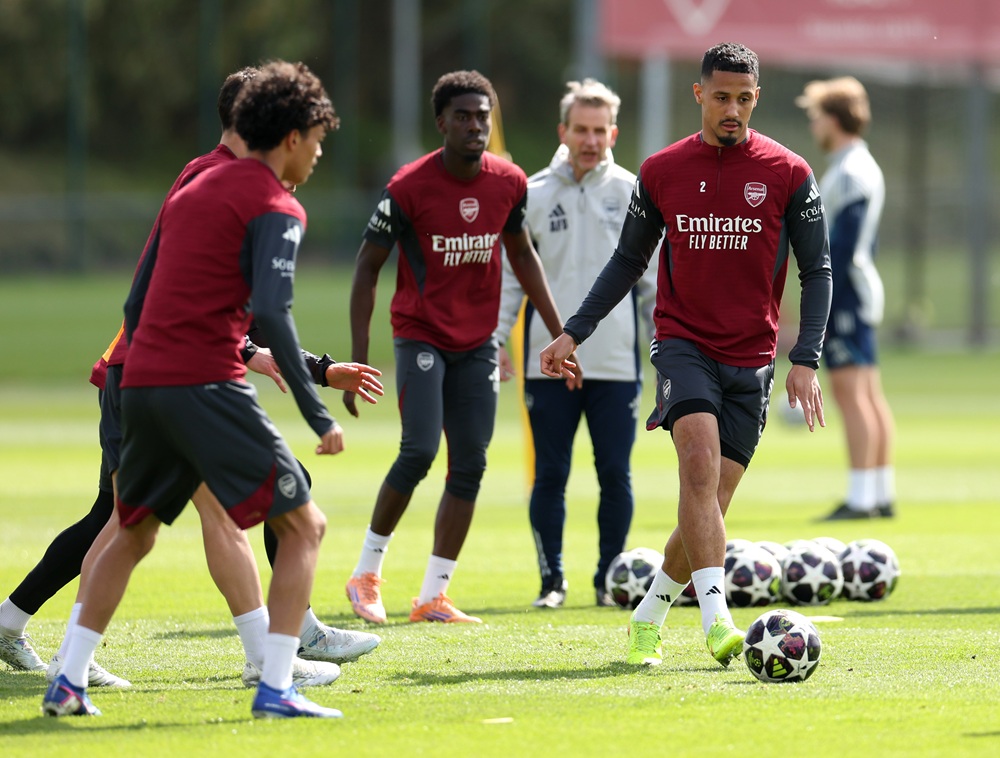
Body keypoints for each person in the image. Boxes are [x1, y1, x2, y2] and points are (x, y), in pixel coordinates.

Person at [2, 68, 381, 689]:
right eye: (316, 138)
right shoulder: (268, 199)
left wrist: (172, 352)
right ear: (285, 134)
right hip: (194, 382)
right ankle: (276, 665)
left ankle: (62, 667)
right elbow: (270, 314)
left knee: (126, 523)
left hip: (144, 371)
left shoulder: (195, 182)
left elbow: (145, 298)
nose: (319, 153)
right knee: (287, 517)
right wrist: (315, 403)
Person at [539, 43, 832, 669]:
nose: (733, 109)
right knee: (696, 471)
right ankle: (718, 624)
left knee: (707, 510)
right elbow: (627, 261)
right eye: (721, 96)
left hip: (752, 358)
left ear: (758, 98)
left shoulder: (789, 172)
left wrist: (805, 356)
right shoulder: (662, 170)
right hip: (682, 344)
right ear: (698, 94)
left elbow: (819, 269)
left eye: (744, 98)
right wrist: (574, 332)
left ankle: (648, 615)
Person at [343, 70, 571, 625]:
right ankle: (365, 575)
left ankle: (432, 597)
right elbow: (367, 269)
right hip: (420, 333)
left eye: (483, 117)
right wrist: (358, 354)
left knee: (469, 464)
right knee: (419, 450)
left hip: (478, 343)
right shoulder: (407, 188)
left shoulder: (508, 181)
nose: (475, 126)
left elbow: (523, 256)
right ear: (442, 122)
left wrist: (560, 333)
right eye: (464, 117)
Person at [495, 78, 656, 609]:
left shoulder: (634, 191)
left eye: (599, 130)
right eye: (580, 129)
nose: (590, 140)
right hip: (549, 360)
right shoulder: (533, 193)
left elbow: (654, 281)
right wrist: (498, 338)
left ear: (614, 132)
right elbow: (512, 276)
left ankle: (610, 581)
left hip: (615, 362)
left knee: (615, 472)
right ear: (563, 131)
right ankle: (552, 582)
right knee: (551, 474)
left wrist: (665, 348)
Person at [795, 77, 896, 521]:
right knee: (869, 393)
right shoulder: (853, 164)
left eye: (817, 114)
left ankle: (861, 499)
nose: (814, 123)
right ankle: (879, 491)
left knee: (850, 392)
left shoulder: (851, 170)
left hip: (848, 291)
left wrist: (822, 295)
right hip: (859, 289)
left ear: (833, 118)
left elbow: (842, 242)